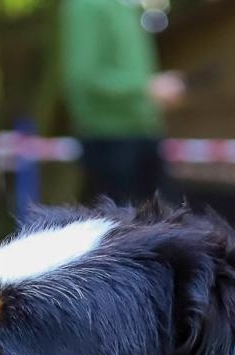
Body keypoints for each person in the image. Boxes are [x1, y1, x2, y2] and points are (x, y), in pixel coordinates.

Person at [60, 0, 184, 204]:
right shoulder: (86, 6)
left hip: (142, 134)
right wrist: (147, 88)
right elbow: (82, 77)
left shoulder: (126, 8)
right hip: (110, 140)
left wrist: (151, 94)